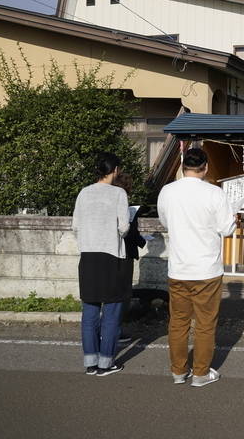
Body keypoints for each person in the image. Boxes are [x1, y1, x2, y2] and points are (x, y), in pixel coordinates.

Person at [157, 147, 237, 387]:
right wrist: (234, 219)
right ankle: (201, 373)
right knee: (204, 323)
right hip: (207, 269)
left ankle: (178, 371)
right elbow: (226, 229)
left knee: (178, 322)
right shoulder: (215, 193)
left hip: (179, 267)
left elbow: (164, 221)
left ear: (183, 166)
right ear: (206, 167)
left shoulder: (167, 191)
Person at [72, 152, 130, 376]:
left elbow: (75, 225)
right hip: (110, 256)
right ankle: (106, 362)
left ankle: (90, 363)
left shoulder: (84, 193)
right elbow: (123, 227)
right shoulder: (119, 193)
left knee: (89, 312)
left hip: (87, 256)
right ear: (114, 170)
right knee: (112, 311)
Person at [112, 172, 147, 343]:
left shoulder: (107, 201)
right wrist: (142, 241)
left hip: (109, 251)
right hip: (125, 253)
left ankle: (111, 329)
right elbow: (130, 232)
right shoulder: (126, 205)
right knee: (123, 293)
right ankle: (115, 330)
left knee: (112, 292)